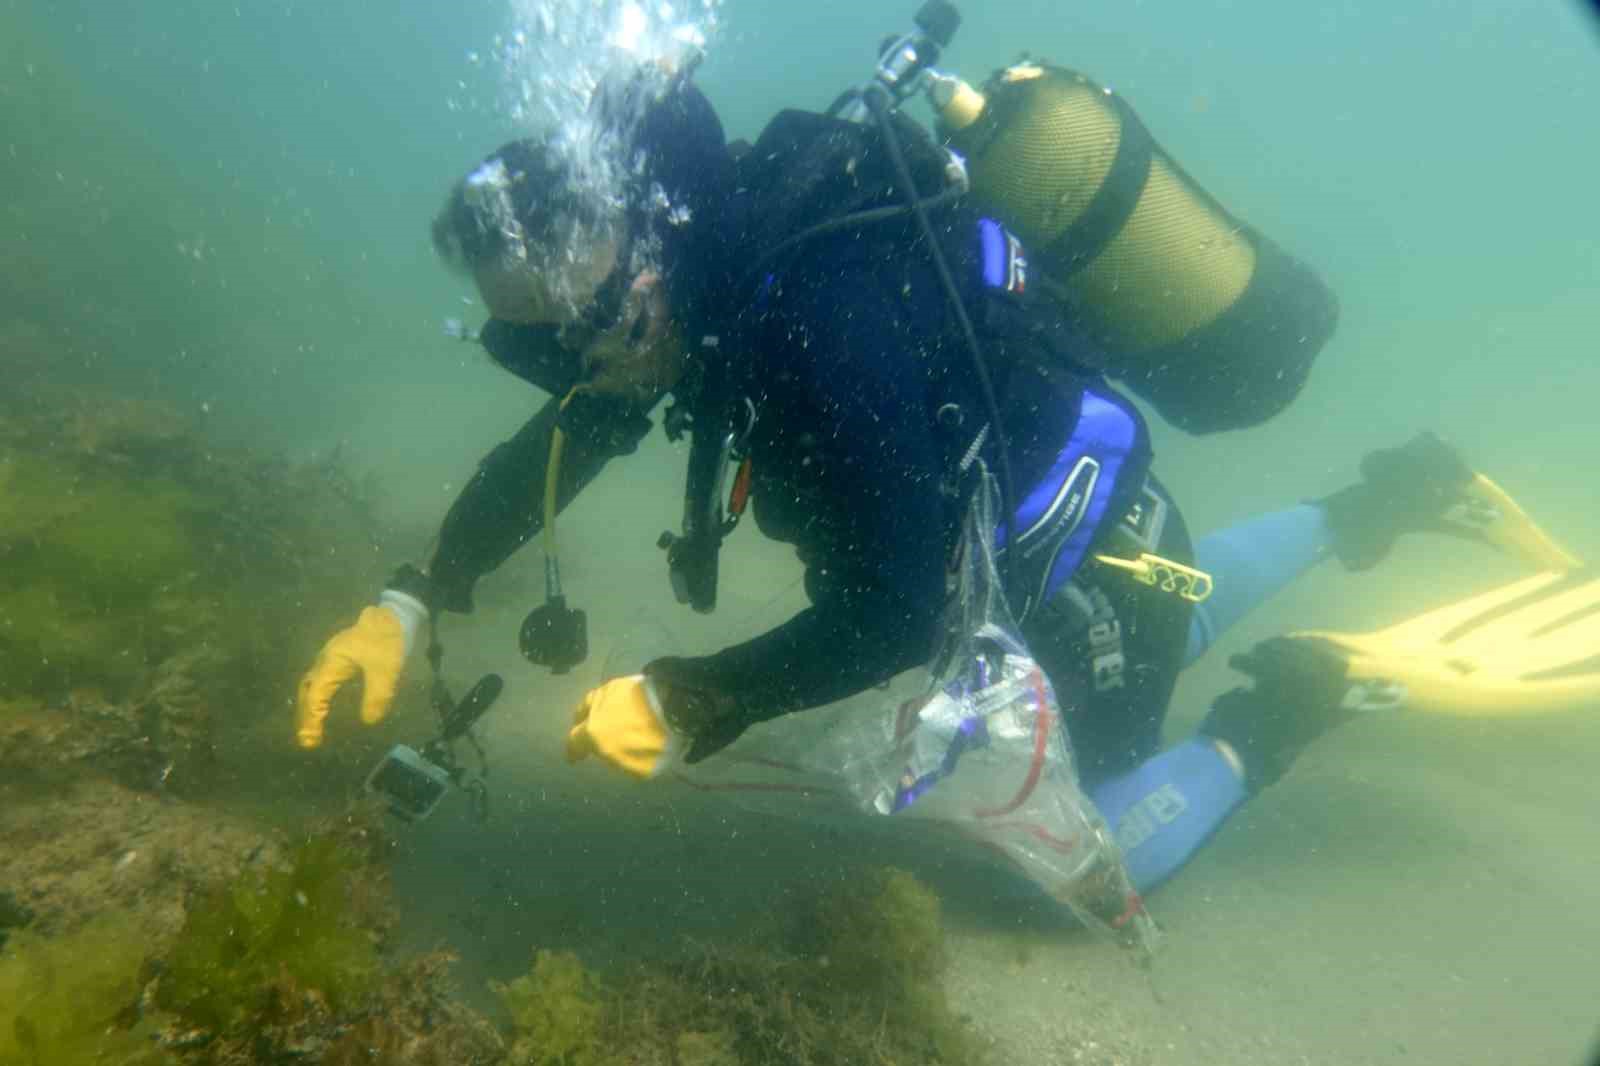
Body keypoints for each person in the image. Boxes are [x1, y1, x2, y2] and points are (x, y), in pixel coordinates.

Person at [293, 74, 1512, 896]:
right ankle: (1377, 503)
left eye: (581, 326)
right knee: (1171, 594)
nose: (578, 363)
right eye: (545, 343)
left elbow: (900, 606)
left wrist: (692, 696)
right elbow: (559, 447)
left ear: (638, 250)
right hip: (1108, 536)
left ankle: (1291, 704)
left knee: (1087, 863)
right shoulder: (693, 291)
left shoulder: (822, 318)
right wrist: (413, 592)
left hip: (1073, 576)